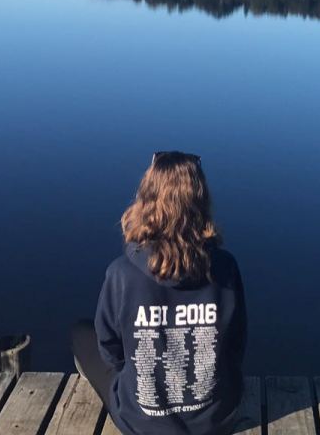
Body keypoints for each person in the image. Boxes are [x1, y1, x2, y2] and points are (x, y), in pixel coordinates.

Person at [72, 152, 247, 435]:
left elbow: (110, 350)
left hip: (142, 423)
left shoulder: (121, 273)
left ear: (146, 200)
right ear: (201, 201)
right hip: (214, 420)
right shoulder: (225, 268)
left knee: (81, 333)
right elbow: (236, 343)